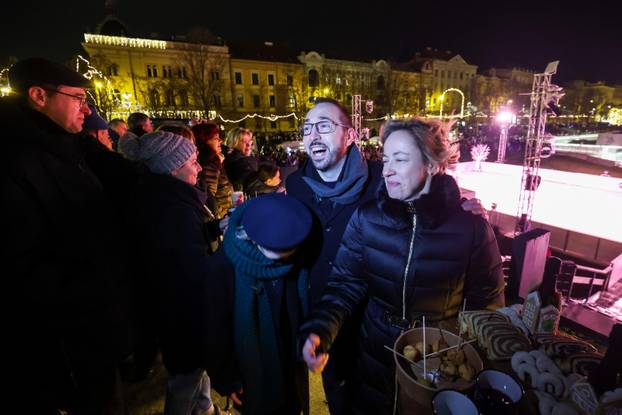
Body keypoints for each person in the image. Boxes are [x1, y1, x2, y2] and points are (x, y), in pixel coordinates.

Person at [285, 98, 488, 414]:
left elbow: (487, 309)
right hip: (373, 363)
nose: (389, 169)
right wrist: (320, 330)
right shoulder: (368, 218)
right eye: (388, 157)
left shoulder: (471, 229)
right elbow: (344, 284)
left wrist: (464, 359)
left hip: (438, 371)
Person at [0, 57, 132, 413]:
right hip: (67, 335)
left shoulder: (67, 144)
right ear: (39, 96)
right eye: (77, 97)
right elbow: (24, 266)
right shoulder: (16, 160)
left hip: (95, 319)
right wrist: (94, 289)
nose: (87, 110)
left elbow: (126, 179)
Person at [124, 130, 226, 415]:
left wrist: (214, 228)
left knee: (195, 368)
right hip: (182, 311)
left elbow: (186, 242)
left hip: (176, 309)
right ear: (173, 168)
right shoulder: (170, 207)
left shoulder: (168, 195)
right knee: (187, 376)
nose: (198, 166)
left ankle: (205, 409)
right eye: (193, 161)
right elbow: (190, 265)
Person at [209, 193, 313, 415]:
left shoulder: (295, 248)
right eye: (277, 254)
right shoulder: (223, 266)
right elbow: (213, 327)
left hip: (289, 356)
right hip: (252, 369)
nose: (285, 260)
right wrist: (227, 377)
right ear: (252, 238)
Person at [193, 122, 234, 218]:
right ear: (205, 140)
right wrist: (223, 216)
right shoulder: (209, 164)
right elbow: (209, 198)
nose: (220, 141)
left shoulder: (212, 161)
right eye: (216, 138)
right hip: (221, 218)